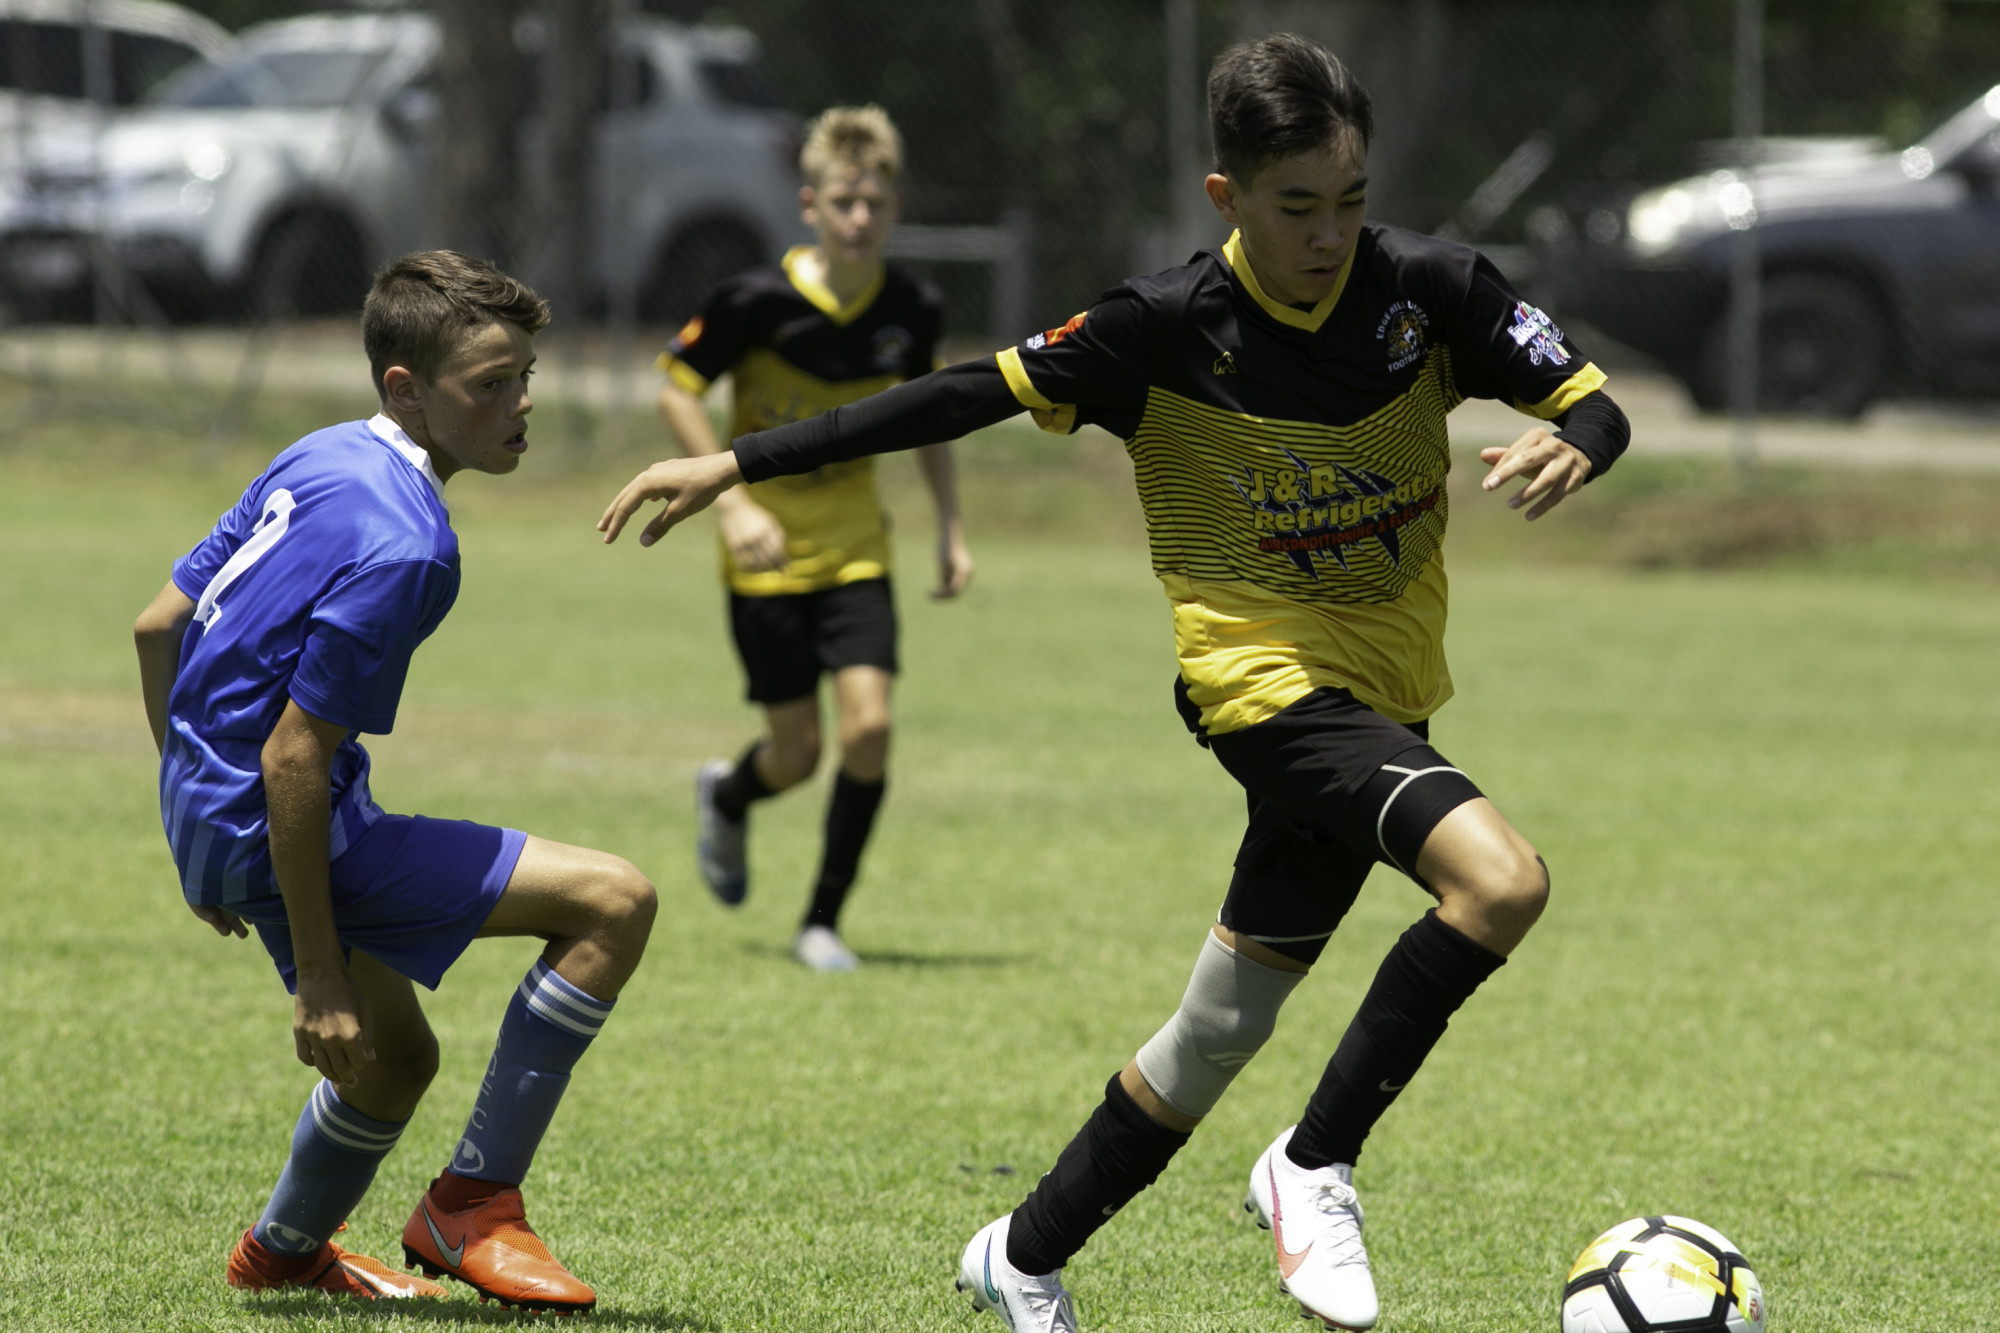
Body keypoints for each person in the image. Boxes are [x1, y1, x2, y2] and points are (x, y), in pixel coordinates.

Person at [599, 33, 1631, 1333]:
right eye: (1295, 206)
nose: (1329, 234)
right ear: (1227, 197)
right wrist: (737, 464)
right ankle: (1312, 1164)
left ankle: (1021, 1251)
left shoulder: (1431, 290)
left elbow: (1592, 399)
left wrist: (1578, 445)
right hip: (1260, 686)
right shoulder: (1162, 325)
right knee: (1502, 879)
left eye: (1350, 199)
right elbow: (959, 394)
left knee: (1214, 1032)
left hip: (1386, 693)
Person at [134, 252, 656, 1313]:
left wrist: (194, 823)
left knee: (393, 1058)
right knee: (614, 899)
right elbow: (292, 756)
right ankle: (474, 1201)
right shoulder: (409, 542)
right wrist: (317, 974)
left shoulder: (319, 454)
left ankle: (283, 1253)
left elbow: (160, 625)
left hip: (213, 815)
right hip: (283, 816)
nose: (519, 406)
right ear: (404, 386)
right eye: (489, 385)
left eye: (526, 378)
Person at [655, 104, 973, 973]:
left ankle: (821, 922)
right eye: (843, 201)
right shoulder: (754, 301)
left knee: (869, 729)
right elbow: (676, 388)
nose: (860, 218)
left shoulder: (912, 307)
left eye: (874, 201)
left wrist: (950, 526)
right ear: (810, 205)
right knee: (796, 756)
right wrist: (733, 504)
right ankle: (728, 792)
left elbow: (935, 417)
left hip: (859, 551)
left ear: (894, 207)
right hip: (764, 557)